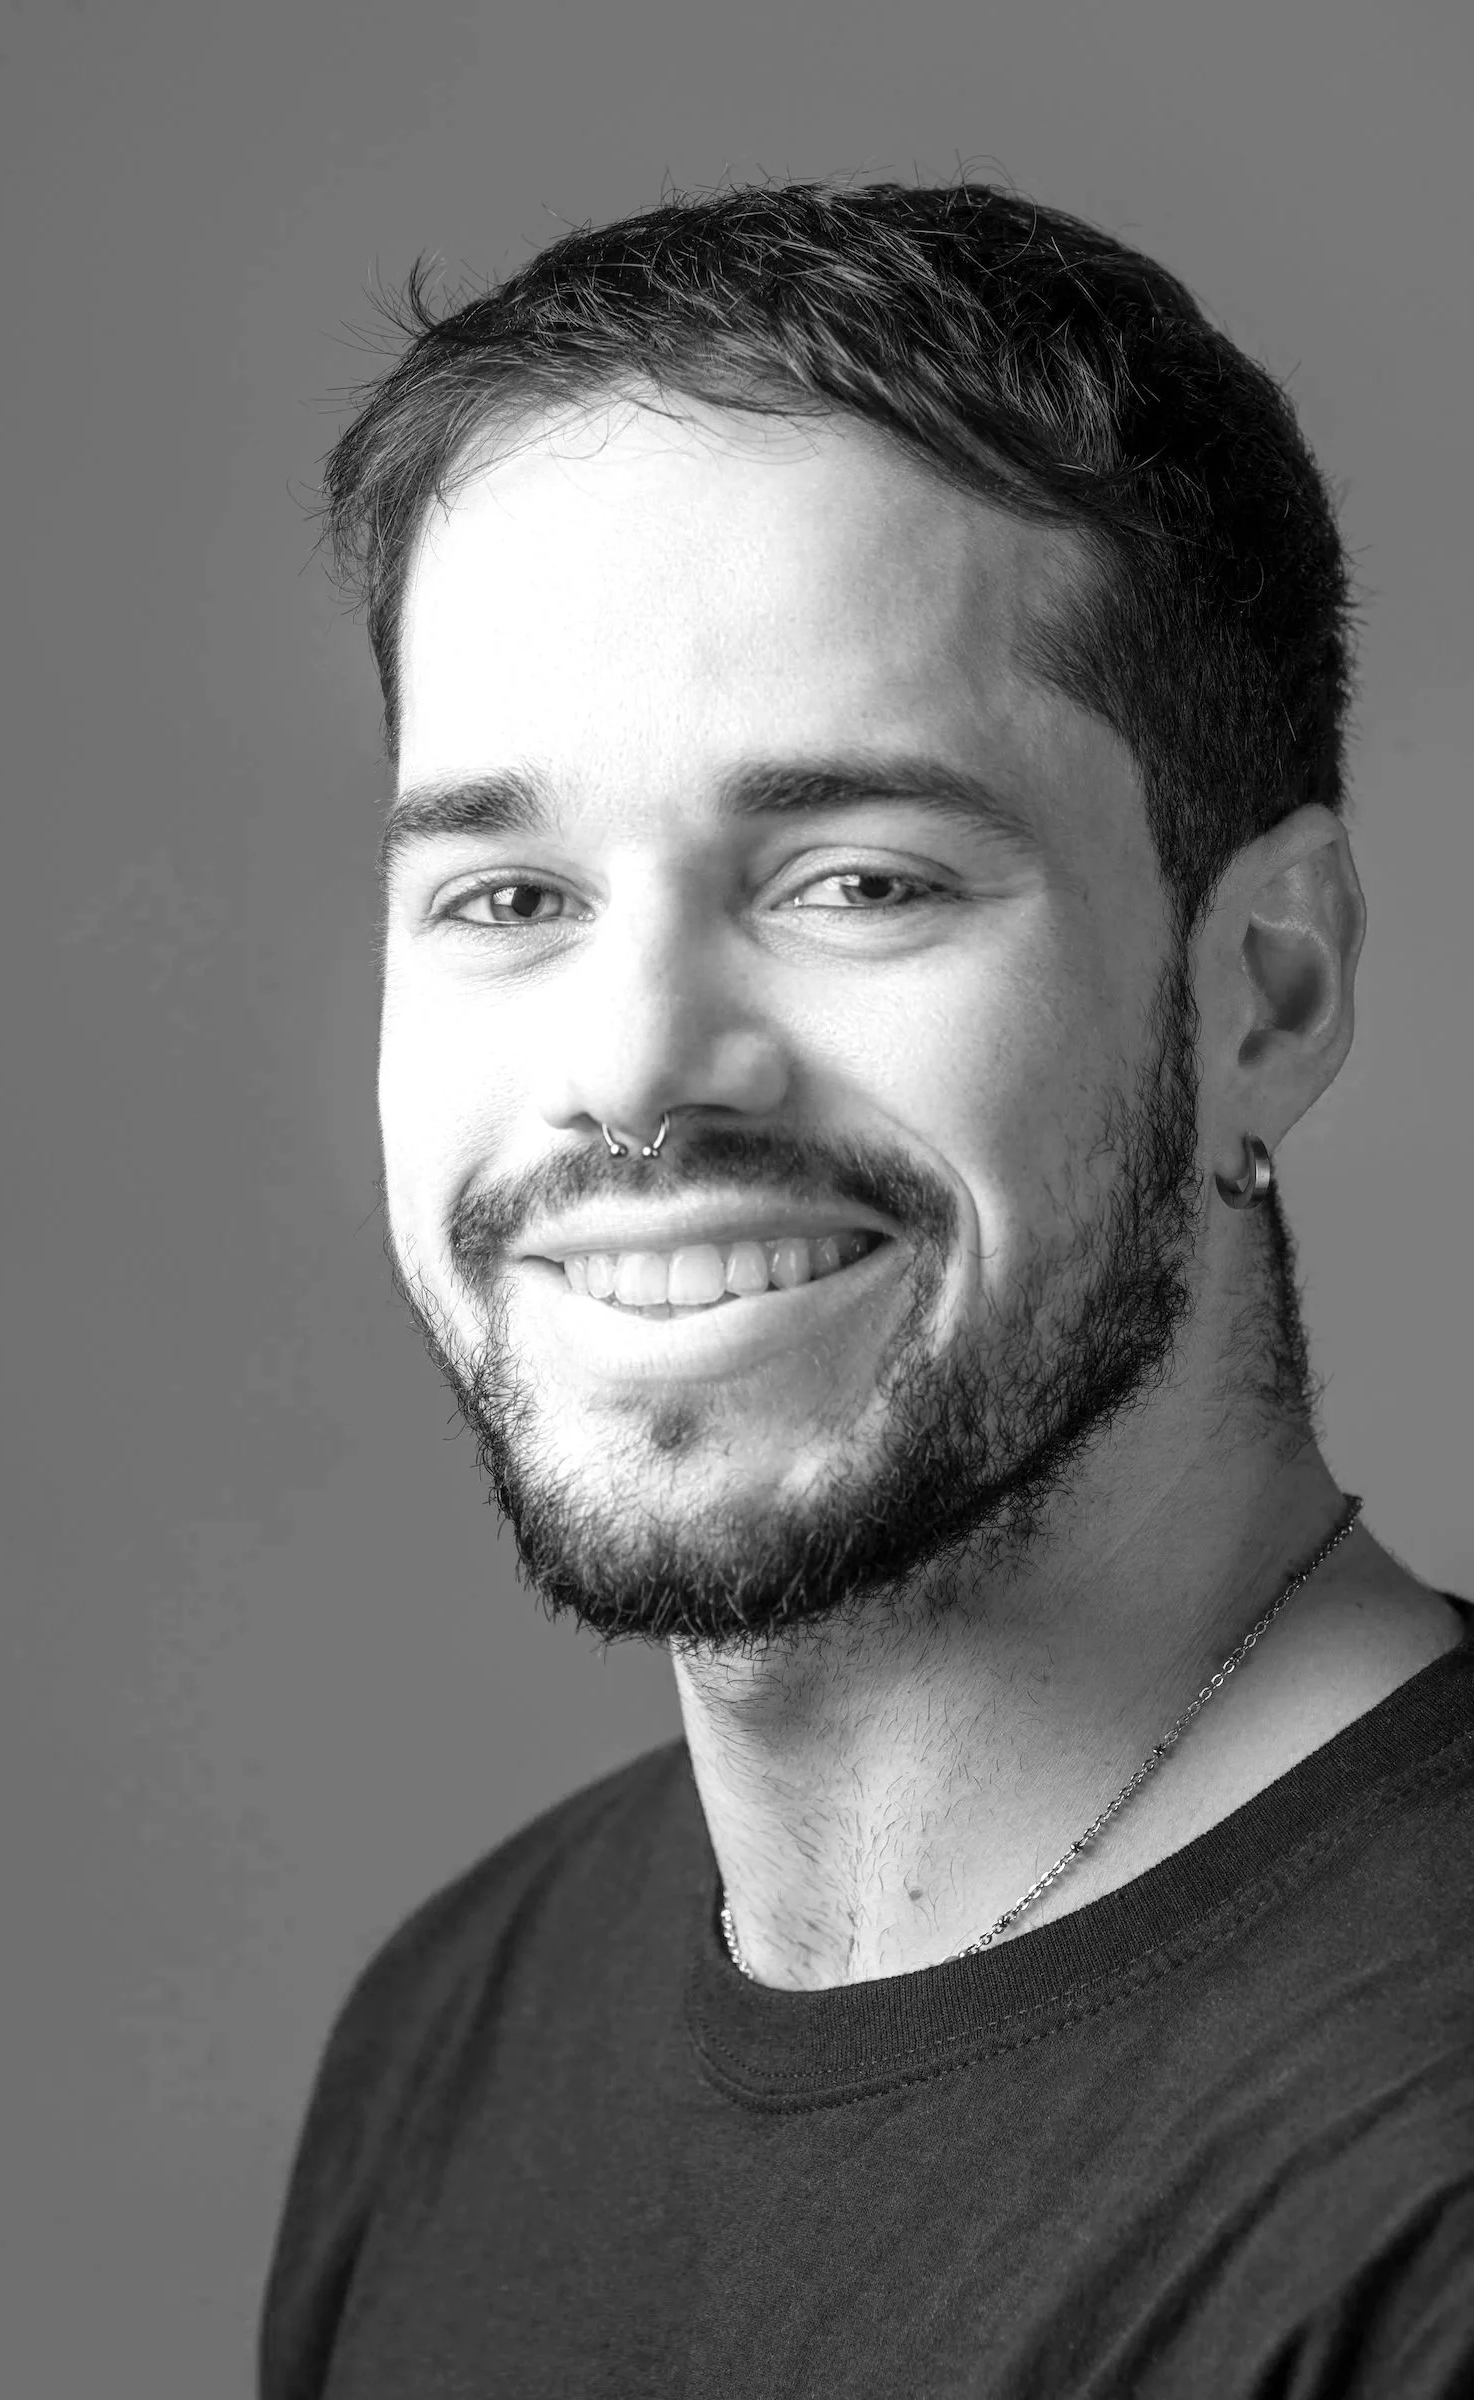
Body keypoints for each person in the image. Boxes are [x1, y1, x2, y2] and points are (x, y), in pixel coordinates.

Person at [260, 179, 1474, 2397]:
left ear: (1268, 992)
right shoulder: (458, 2024)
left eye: (855, 877)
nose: (631, 1064)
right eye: (509, 893)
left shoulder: (1418, 2186)